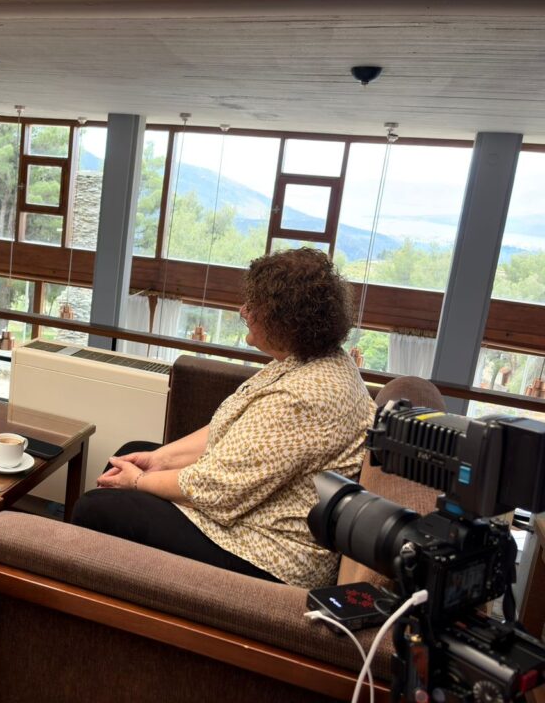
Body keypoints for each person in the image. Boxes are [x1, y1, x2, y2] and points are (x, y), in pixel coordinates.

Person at [72, 247, 375, 589]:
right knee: (131, 453)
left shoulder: (304, 398)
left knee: (95, 508)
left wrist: (139, 481)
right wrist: (160, 459)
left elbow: (216, 490)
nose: (242, 310)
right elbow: (228, 428)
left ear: (285, 321)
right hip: (255, 508)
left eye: (254, 305)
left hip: (267, 553)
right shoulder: (313, 359)